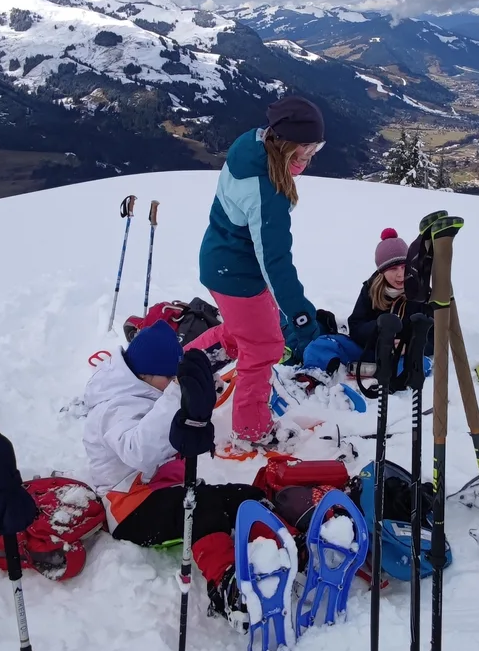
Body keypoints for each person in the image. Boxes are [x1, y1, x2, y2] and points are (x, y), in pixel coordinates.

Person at [86, 319, 257, 618]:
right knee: (203, 509)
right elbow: (138, 451)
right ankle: (227, 584)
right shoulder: (113, 408)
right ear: (146, 375)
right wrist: (178, 395)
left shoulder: (149, 391)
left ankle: (282, 545)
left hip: (165, 489)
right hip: (129, 507)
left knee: (243, 497)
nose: (171, 383)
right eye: (169, 377)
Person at [192, 96, 327, 452]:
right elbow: (275, 260)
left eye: (317, 146)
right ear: (285, 143)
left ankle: (189, 365)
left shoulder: (250, 144)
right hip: (237, 275)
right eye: (308, 146)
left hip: (222, 263)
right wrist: (299, 313)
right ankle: (253, 430)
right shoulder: (267, 190)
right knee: (264, 346)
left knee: (245, 332)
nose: (312, 154)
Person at [345, 227, 426, 372]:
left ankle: (386, 375)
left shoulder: (420, 294)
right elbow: (355, 327)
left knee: (419, 363)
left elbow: (434, 338)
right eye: (393, 269)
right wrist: (380, 329)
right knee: (326, 344)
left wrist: (408, 346)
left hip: (404, 357)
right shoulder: (370, 289)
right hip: (371, 351)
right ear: (382, 271)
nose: (400, 275)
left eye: (404, 267)